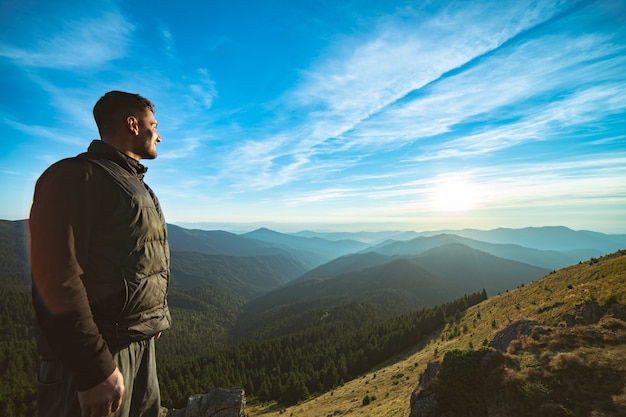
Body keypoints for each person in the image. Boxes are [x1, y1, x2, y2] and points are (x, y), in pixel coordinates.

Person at [29, 91, 172, 417]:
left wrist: (151, 316)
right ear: (132, 124)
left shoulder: (132, 183)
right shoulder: (76, 176)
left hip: (137, 344)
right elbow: (55, 277)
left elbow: (134, 261)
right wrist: (92, 366)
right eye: (154, 125)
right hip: (101, 354)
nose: (159, 136)